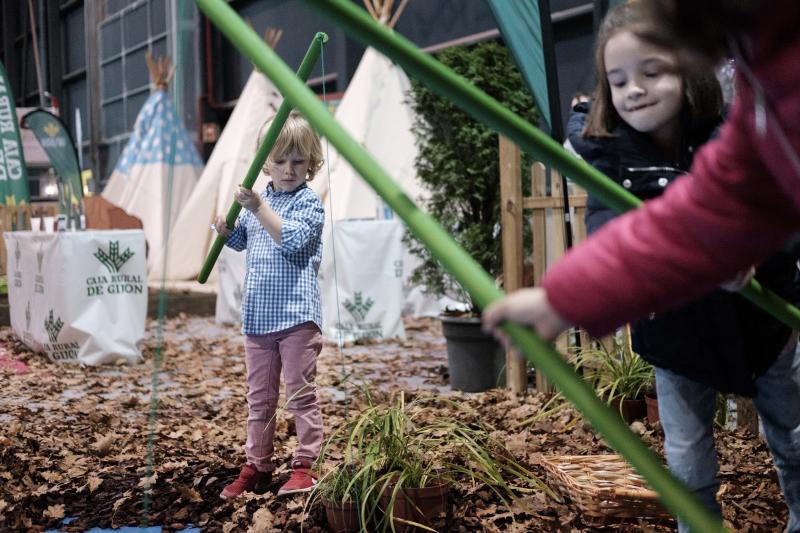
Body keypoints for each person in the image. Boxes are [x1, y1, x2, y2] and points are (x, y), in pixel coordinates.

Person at [532, 3, 799, 530]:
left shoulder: (734, 132)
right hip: (674, 334)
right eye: (619, 79)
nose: (635, 89)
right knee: (687, 460)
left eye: (652, 72)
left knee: (793, 439)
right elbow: (611, 238)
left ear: (690, 68)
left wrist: (751, 253)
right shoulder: (612, 162)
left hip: (764, 325)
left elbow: (769, 208)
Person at [215, 110, 326, 499]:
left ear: (311, 162)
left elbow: (292, 241)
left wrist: (258, 207)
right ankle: (257, 464)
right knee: (260, 397)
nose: (289, 169)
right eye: (279, 161)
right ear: (266, 163)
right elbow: (244, 239)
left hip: (297, 318)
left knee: (300, 393)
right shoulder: (261, 201)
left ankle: (305, 466)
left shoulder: (308, 204)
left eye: (298, 161)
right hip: (259, 318)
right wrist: (226, 229)